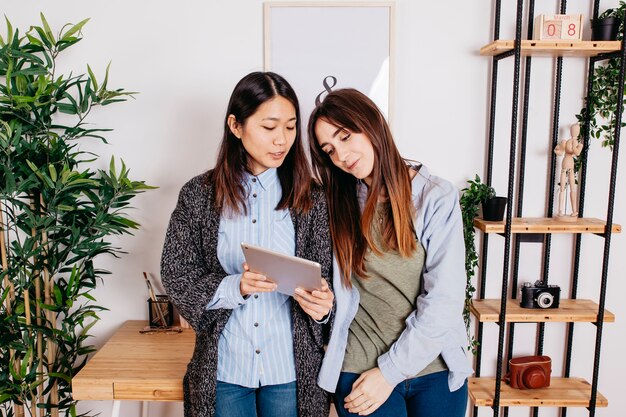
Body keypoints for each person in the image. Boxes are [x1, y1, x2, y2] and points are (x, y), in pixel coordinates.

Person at [161, 72, 334, 417]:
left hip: (291, 372)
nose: (281, 140)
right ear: (235, 126)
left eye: (290, 127)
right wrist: (233, 286)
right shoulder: (198, 195)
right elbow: (175, 274)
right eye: (269, 128)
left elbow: (336, 285)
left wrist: (325, 307)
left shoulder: (314, 198)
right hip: (225, 370)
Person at [309, 89, 473, 417]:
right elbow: (331, 293)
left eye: (345, 136)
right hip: (359, 367)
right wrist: (321, 307)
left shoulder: (435, 197)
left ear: (371, 124)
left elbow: (444, 300)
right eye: (329, 149)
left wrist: (389, 373)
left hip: (435, 365)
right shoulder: (333, 203)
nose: (340, 155)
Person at [554, 122, 584, 218]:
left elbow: (560, 152)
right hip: (569, 163)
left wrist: (558, 149)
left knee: (565, 187)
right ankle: (571, 210)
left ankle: (562, 210)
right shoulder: (573, 142)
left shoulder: (566, 141)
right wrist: (580, 146)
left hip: (566, 162)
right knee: (571, 187)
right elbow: (576, 153)